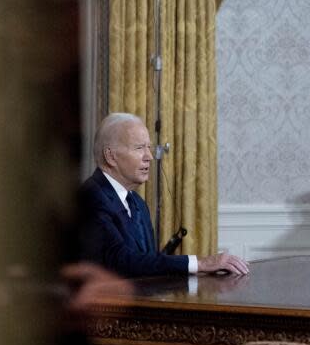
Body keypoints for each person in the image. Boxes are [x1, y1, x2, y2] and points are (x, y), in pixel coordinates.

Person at [78, 113, 250, 278]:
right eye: (139, 148)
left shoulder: (136, 201)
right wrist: (199, 263)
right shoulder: (90, 197)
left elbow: (146, 262)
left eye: (149, 148)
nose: (150, 157)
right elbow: (121, 261)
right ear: (111, 156)